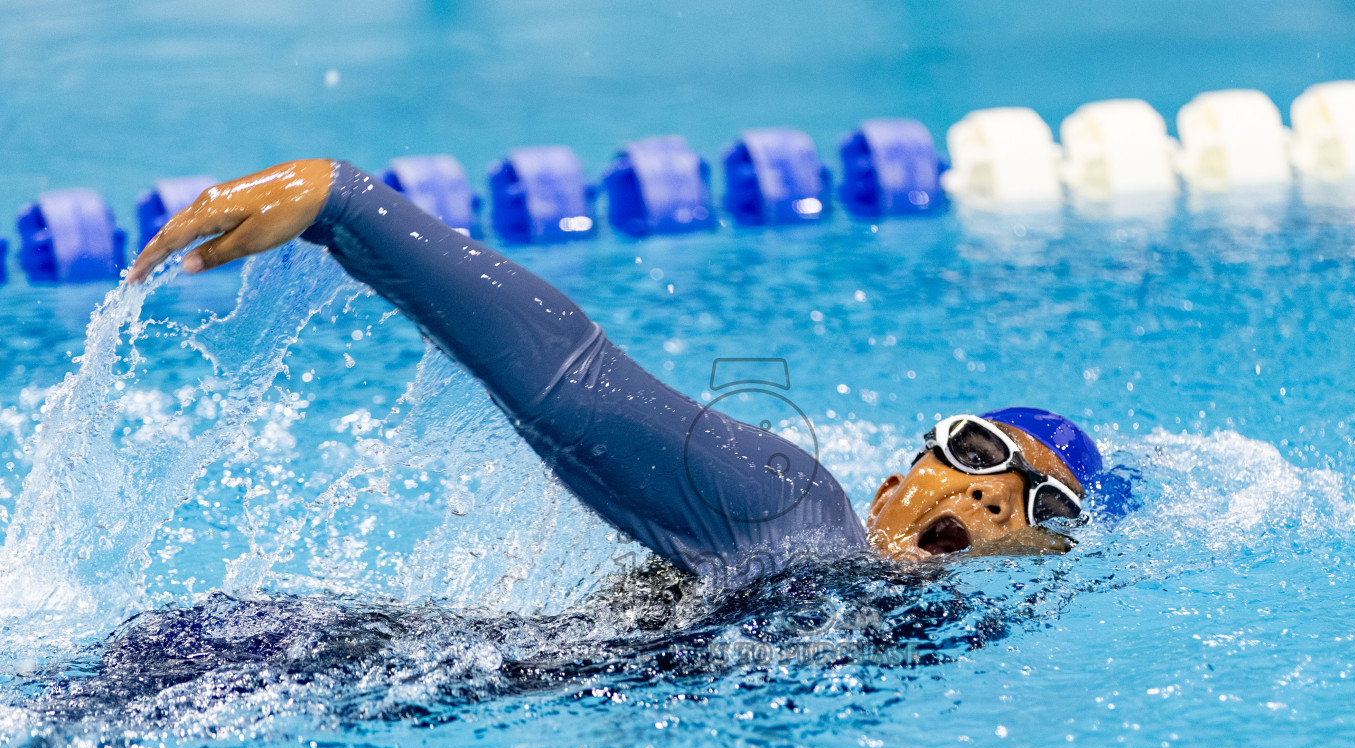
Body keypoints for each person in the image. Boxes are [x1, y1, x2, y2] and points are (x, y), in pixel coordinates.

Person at [129, 160, 1104, 589]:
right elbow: (572, 383)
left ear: (1044, 558)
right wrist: (347, 203)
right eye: (977, 452)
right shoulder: (793, 511)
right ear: (895, 483)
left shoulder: (912, 630)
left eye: (1044, 505)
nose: (993, 498)